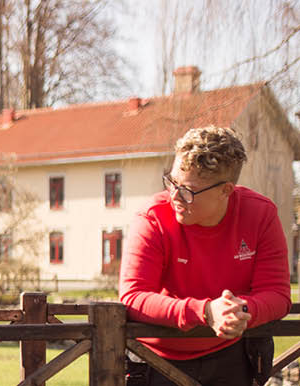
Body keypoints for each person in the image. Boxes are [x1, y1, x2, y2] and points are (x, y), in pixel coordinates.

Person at [120, 126, 291, 386]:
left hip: (232, 354)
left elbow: (277, 294)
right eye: (172, 182)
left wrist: (241, 311)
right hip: (154, 360)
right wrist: (206, 311)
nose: (175, 197)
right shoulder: (152, 217)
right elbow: (133, 296)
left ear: (226, 190)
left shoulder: (261, 214)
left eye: (188, 190)